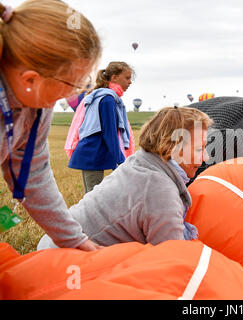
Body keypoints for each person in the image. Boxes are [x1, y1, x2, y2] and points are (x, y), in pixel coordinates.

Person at [0, 0, 102, 250]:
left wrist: (76, 240)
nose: (77, 91)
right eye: (74, 83)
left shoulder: (36, 106)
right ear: (30, 79)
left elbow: (33, 172)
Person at [37, 106, 212, 249]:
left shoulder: (139, 162)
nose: (206, 158)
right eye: (199, 149)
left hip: (51, 246)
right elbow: (170, 258)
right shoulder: (161, 191)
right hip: (64, 264)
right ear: (171, 148)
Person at [68, 62, 135, 193]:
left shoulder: (103, 96)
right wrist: (121, 160)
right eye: (127, 78)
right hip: (93, 154)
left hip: (94, 153)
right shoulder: (108, 99)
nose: (130, 82)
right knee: (93, 198)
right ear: (114, 78)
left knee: (93, 196)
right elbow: (109, 133)